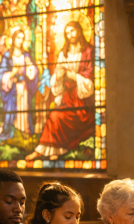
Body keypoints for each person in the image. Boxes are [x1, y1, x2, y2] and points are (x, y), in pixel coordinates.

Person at [26, 21, 95, 160]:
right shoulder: (63, 54)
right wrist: (58, 77)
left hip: (82, 103)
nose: (70, 35)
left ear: (79, 31)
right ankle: (46, 151)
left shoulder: (88, 51)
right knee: (54, 115)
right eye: (67, 32)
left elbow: (91, 79)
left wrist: (74, 77)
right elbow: (56, 85)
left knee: (56, 116)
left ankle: (53, 151)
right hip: (67, 99)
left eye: (73, 31)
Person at [0, 28, 39, 139]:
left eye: (22, 38)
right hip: (12, 90)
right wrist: (12, 73)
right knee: (12, 111)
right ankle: (12, 132)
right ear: (13, 39)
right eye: (18, 38)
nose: (20, 41)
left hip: (24, 89)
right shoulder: (7, 56)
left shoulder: (26, 55)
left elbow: (33, 72)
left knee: (24, 111)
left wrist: (30, 68)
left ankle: (24, 131)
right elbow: (1, 76)